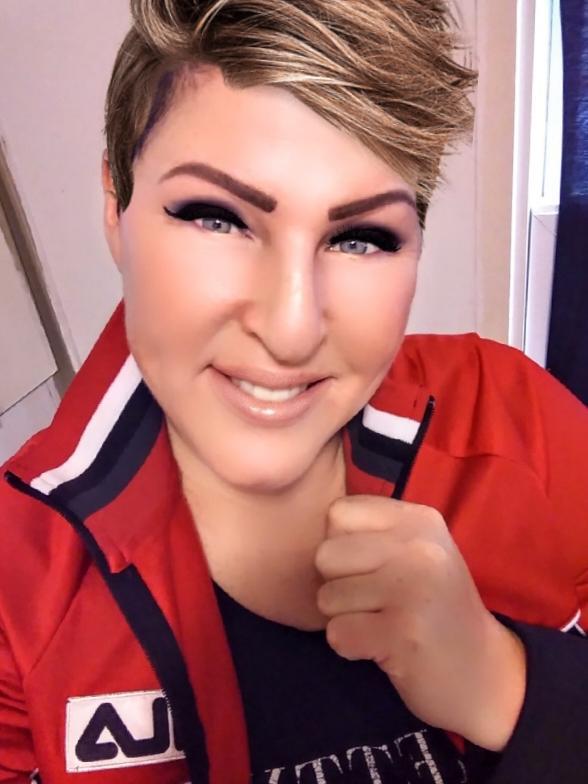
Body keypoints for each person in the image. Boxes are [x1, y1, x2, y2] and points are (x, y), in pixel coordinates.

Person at [1, 0, 587, 782]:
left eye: (361, 237)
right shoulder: (16, 582)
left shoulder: (516, 416)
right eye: (216, 218)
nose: (290, 329)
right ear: (117, 205)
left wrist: (506, 683)